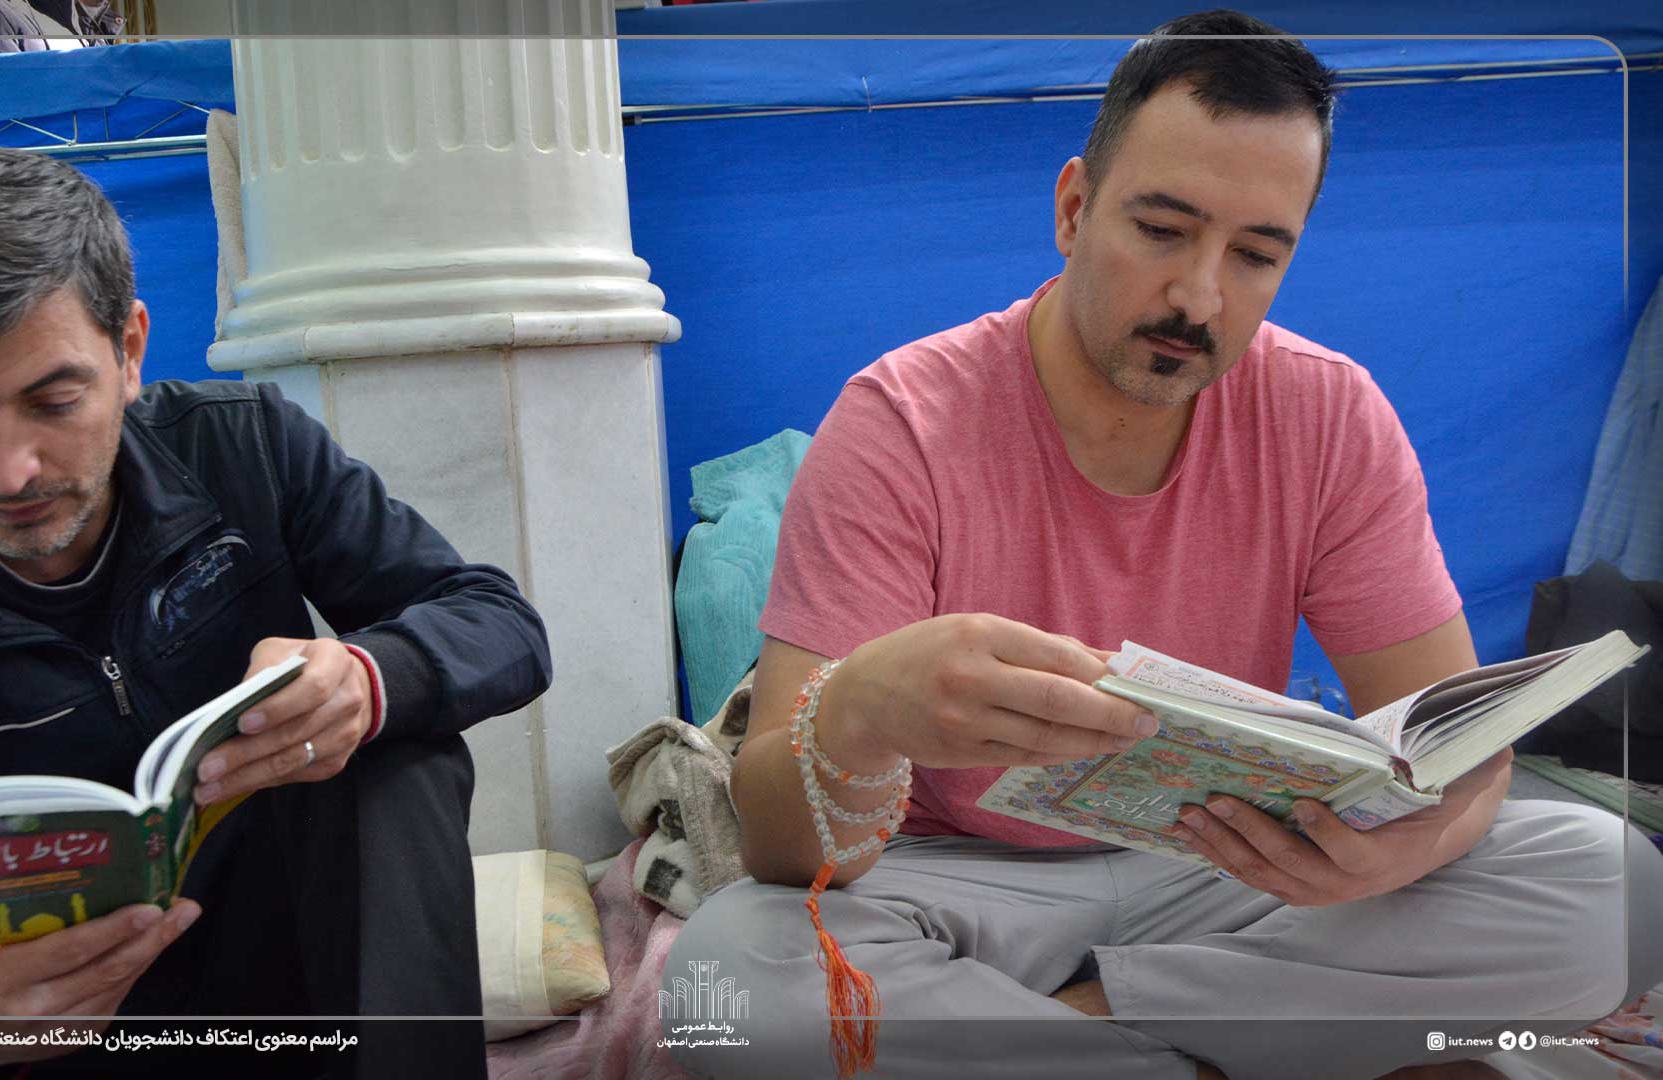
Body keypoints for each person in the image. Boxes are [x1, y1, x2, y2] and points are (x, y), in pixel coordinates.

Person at [665, 10, 1663, 1080]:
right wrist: (860, 713)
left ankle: (1082, 1031)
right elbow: (785, 852)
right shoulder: (901, 422)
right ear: (1073, 208)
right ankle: (1237, 1046)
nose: (1199, 297)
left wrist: (1400, 850)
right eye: (1161, 230)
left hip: (1232, 874)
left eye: (1256, 254)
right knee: (726, 981)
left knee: (1618, 885)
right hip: (957, 888)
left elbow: (1463, 753)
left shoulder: (1330, 415)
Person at [0, 145, 553, 1079]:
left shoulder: (248, 449)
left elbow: (499, 621)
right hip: (64, 1051)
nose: (6, 470)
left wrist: (367, 682)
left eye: (53, 401)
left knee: (393, 749)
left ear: (129, 349)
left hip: (304, 987)